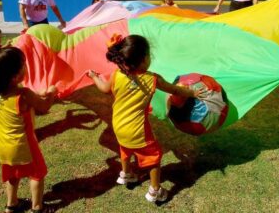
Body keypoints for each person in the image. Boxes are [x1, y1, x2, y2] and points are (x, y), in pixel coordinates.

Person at [87, 34, 205, 203]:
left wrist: (94, 77)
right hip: (138, 130)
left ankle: (126, 174)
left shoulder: (117, 75)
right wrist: (192, 93)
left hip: (119, 125)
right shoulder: (152, 79)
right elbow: (175, 90)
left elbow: (105, 89)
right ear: (143, 60)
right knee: (154, 156)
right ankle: (155, 191)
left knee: (125, 149)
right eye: (149, 55)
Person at [0, 47, 56, 213]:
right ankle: (37, 208)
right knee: (37, 173)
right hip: (23, 143)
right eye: (23, 64)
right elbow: (44, 107)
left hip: (2, 143)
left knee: (12, 174)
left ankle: (11, 205)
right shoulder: (23, 94)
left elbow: (27, 97)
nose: (26, 66)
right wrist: (52, 93)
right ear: (15, 76)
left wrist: (38, 93)